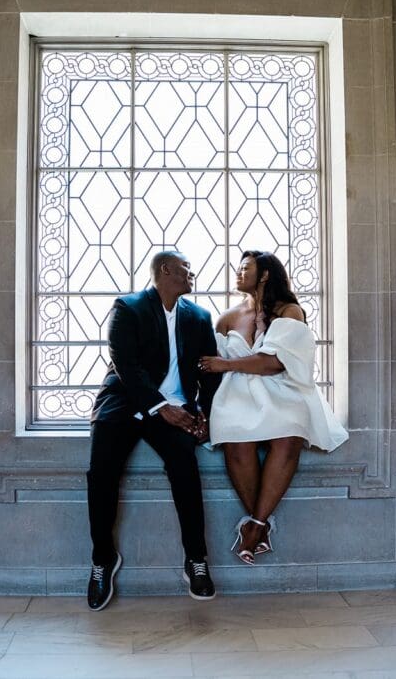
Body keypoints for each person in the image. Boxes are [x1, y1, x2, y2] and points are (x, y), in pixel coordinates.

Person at [86, 249, 223, 610]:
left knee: (185, 465)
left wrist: (206, 414)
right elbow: (126, 365)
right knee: (101, 471)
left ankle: (196, 559)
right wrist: (161, 407)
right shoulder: (128, 308)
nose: (192, 273)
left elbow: (208, 372)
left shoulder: (199, 316)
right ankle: (102, 559)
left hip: (178, 407)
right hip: (126, 402)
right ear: (165, 270)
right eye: (186, 268)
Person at [199, 251, 348, 565]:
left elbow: (274, 363)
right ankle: (259, 525)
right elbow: (208, 368)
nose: (238, 272)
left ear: (265, 275)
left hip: (282, 390)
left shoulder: (289, 311)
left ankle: (253, 526)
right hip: (237, 394)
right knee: (236, 441)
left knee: (289, 436)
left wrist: (226, 364)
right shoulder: (227, 319)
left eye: (246, 268)